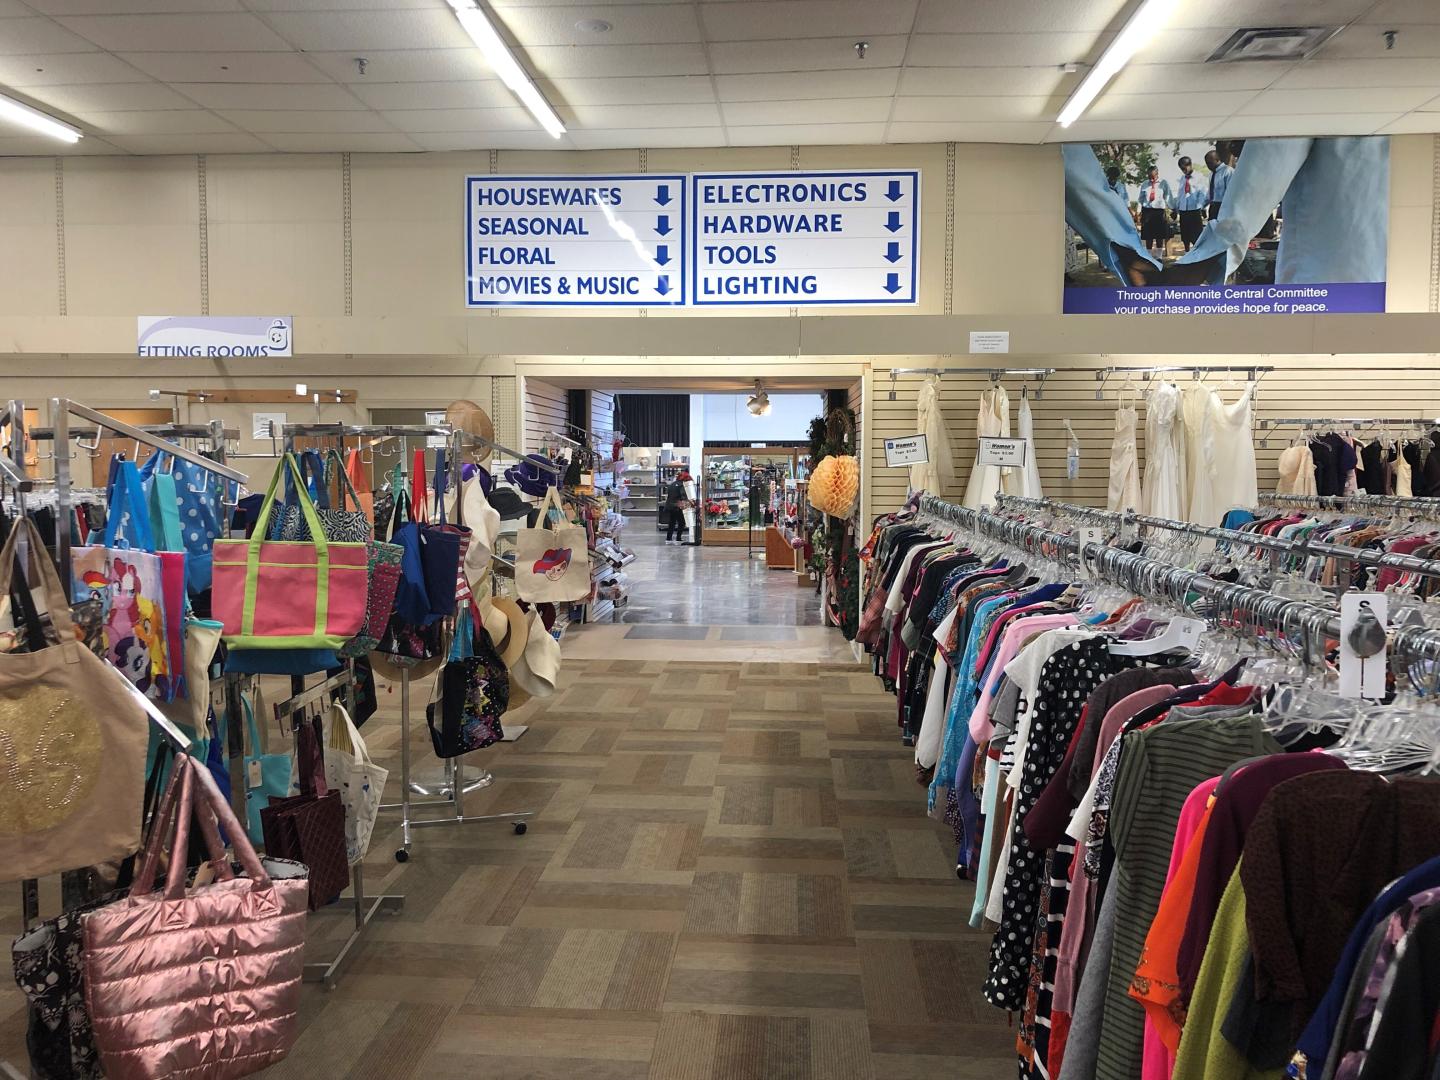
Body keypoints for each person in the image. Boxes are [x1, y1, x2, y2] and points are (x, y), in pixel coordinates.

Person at [1173, 136, 1389, 286]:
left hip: (1321, 287)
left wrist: (1195, 268)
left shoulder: (1307, 79)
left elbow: (1259, 180)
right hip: (1400, 285)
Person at [1170, 155, 1207, 252]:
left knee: (1196, 236)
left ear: (1190, 164)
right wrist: (1176, 209)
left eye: (1185, 167)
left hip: (1194, 210)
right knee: (1185, 236)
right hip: (1183, 211)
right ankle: (1187, 254)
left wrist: (1201, 208)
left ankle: (1197, 256)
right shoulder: (1182, 178)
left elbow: (1203, 194)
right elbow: (1180, 195)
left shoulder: (1200, 177)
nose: (1183, 170)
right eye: (1181, 168)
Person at [1137, 164, 1172, 256]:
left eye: (1153, 177)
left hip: (1159, 212)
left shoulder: (1164, 183)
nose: (1151, 179)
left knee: (1159, 235)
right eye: (1149, 177)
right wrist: (1138, 211)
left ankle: (1159, 256)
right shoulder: (1145, 184)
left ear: (1157, 174)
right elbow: (1141, 199)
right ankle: (1149, 256)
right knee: (1148, 236)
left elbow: (1168, 197)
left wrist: (1173, 209)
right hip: (1147, 211)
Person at [1204, 144, 1234, 220]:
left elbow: (1230, 193)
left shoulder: (1228, 171)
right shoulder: (1211, 174)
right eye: (1207, 163)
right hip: (1213, 207)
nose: (1208, 166)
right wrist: (1202, 206)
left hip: (1223, 207)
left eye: (1210, 163)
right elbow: (1210, 193)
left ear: (1217, 160)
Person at [663, 471, 691, 545]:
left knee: (671, 522)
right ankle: (678, 539)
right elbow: (683, 496)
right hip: (678, 506)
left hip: (670, 505)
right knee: (681, 522)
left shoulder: (672, 484)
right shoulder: (682, 485)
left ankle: (668, 539)